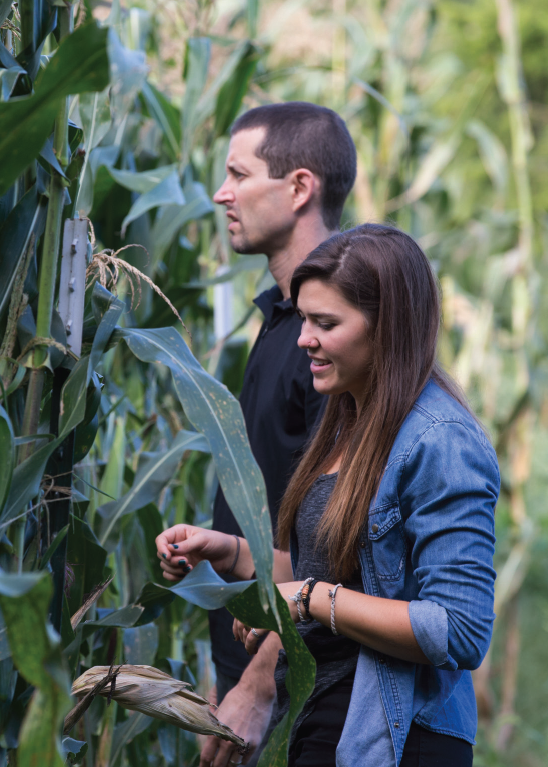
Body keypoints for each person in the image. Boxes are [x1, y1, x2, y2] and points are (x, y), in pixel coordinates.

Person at [156, 225, 498, 766]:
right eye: (303, 319)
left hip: (396, 736)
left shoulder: (442, 440)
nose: (303, 339)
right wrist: (232, 553)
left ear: (386, 327)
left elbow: (458, 628)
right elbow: (340, 571)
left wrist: (305, 599)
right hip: (324, 721)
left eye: (326, 323)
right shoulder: (348, 422)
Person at [200, 102, 357, 767]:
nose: (220, 193)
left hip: (298, 683)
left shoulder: (326, 342)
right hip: (252, 661)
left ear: (297, 188)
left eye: (238, 174)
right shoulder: (280, 320)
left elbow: (336, 530)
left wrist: (262, 683)